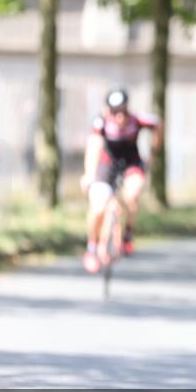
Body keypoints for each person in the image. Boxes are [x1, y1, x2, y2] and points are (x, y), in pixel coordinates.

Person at [79, 88, 163, 274]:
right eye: (114, 112)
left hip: (131, 163)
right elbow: (93, 147)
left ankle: (127, 233)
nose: (119, 117)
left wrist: (153, 152)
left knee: (132, 194)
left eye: (122, 112)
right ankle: (92, 247)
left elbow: (158, 124)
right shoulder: (101, 123)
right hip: (106, 166)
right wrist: (89, 174)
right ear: (108, 111)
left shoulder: (137, 120)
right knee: (98, 207)